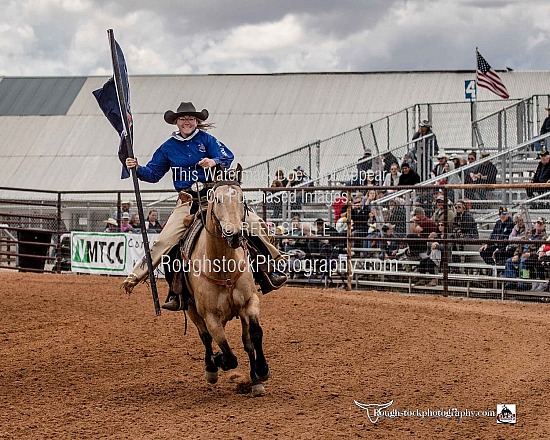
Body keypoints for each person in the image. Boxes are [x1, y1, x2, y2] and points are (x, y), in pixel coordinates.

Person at [121, 101, 286, 308]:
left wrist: (213, 161)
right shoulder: (167, 147)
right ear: (176, 122)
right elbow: (153, 174)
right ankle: (160, 285)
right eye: (182, 119)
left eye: (190, 118)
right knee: (165, 241)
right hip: (187, 201)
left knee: (255, 223)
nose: (187, 122)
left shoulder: (207, 140)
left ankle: (270, 269)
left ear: (197, 121)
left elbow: (228, 156)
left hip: (215, 198)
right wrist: (137, 168)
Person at [503, 217, 547, 290]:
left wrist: (530, 254)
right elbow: (520, 245)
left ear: (544, 226)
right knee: (509, 261)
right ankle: (511, 283)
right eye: (537, 223)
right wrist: (516, 254)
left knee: (523, 262)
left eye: (541, 224)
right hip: (522, 254)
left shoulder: (544, 237)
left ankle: (523, 284)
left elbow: (541, 249)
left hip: (531, 256)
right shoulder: (529, 234)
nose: (538, 225)